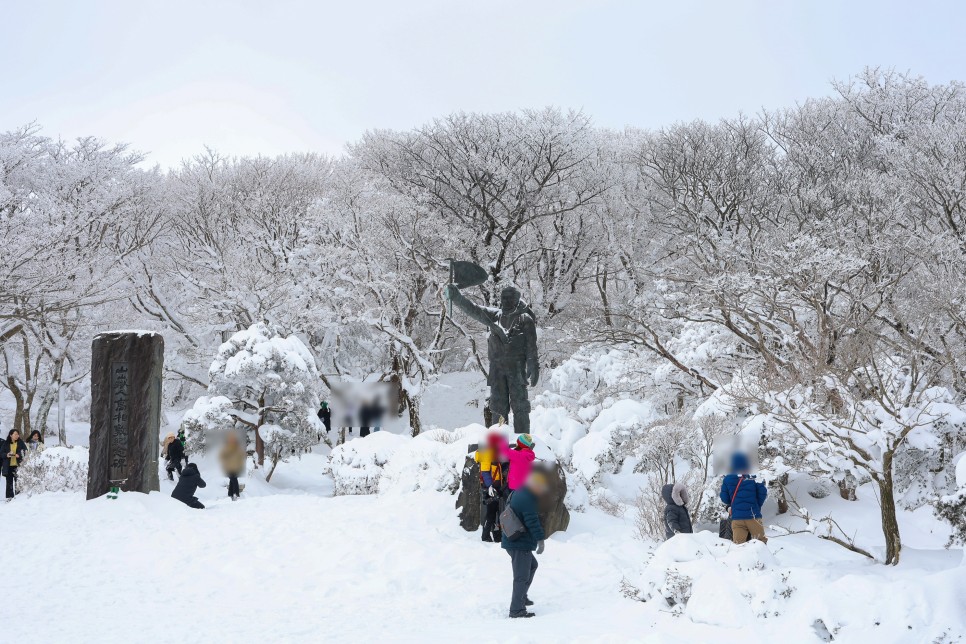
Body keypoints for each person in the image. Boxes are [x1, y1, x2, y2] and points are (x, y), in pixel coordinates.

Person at [501, 471, 548, 619]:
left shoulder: (519, 492)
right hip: (519, 543)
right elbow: (532, 522)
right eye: (540, 488)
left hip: (513, 540)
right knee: (521, 576)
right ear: (535, 486)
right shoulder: (526, 499)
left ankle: (521, 597)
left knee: (532, 566)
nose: (541, 492)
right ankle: (516, 610)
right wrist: (540, 540)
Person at [719, 452, 768, 544]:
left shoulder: (728, 478)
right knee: (761, 543)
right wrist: (757, 505)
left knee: (739, 546)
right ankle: (761, 558)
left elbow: (725, 499)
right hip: (753, 516)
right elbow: (763, 493)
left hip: (737, 518)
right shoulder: (754, 476)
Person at [475, 433, 508, 542]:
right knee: (491, 513)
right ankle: (485, 536)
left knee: (497, 512)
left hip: (496, 488)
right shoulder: (488, 454)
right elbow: (485, 473)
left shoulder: (494, 453)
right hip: (491, 489)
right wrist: (490, 487)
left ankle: (497, 536)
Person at [1, 429, 27, 501]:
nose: (17, 436)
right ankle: (10, 497)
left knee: (18, 481)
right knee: (9, 482)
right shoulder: (6, 443)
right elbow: (1, 453)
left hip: (18, 465)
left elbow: (25, 451)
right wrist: (7, 455)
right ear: (11, 435)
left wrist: (19, 455)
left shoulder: (20, 442)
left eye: (17, 434)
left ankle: (18, 497)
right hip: (8, 466)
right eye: (15, 434)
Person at [219, 433, 246, 501]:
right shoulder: (226, 448)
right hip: (228, 468)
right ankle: (235, 494)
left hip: (236, 467)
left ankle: (231, 494)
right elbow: (222, 457)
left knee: (232, 480)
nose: (232, 441)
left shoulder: (238, 448)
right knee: (234, 480)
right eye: (231, 440)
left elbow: (243, 457)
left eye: (233, 440)